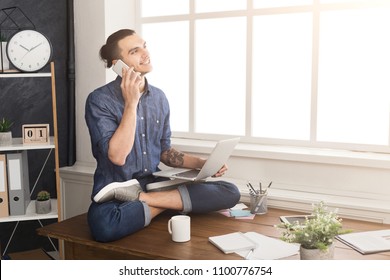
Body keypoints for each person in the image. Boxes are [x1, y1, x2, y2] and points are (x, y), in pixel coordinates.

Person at [85, 29, 240, 242]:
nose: (145, 53)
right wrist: (132, 103)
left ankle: (148, 200)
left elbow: (165, 152)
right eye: (134, 51)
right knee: (104, 227)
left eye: (144, 46)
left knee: (230, 191)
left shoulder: (159, 97)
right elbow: (118, 157)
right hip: (117, 191)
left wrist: (202, 164)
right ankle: (171, 204)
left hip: (154, 185)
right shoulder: (99, 100)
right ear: (117, 64)